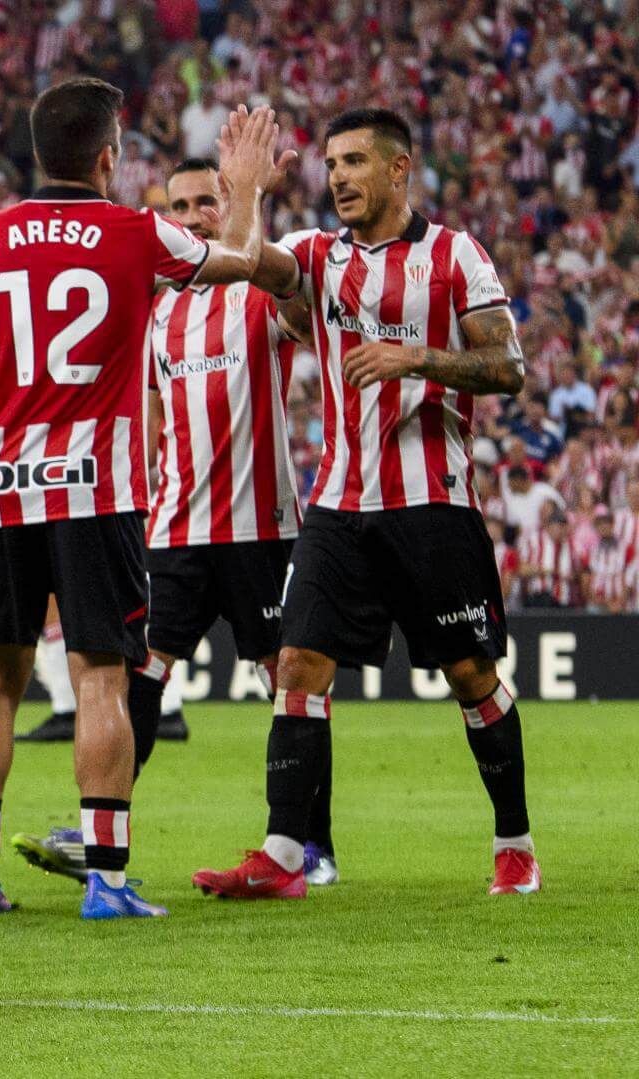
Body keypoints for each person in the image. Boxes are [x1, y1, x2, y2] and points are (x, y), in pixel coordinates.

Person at [0, 78, 277, 919]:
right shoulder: (138, 233)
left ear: (37, 154)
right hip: (93, 486)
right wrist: (244, 187)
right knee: (101, 676)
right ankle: (105, 880)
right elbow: (244, 267)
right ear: (108, 157)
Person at [194, 107, 540, 899]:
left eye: (355, 161)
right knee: (298, 664)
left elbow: (508, 365)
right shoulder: (318, 257)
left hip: (433, 507)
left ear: (398, 169)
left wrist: (417, 356)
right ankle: (285, 854)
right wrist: (246, 191)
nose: (339, 176)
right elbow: (247, 264)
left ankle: (514, 843)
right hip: (339, 504)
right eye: (330, 163)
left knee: (469, 673)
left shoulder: (455, 257)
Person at [13, 156, 339, 888]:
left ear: (230, 209)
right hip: (174, 530)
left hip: (261, 528)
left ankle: (308, 844)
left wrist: (250, 193)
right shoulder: (158, 311)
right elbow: (153, 415)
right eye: (181, 205)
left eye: (207, 202)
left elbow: (284, 294)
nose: (193, 216)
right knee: (140, 677)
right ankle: (98, 828)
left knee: (291, 681)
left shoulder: (258, 293)